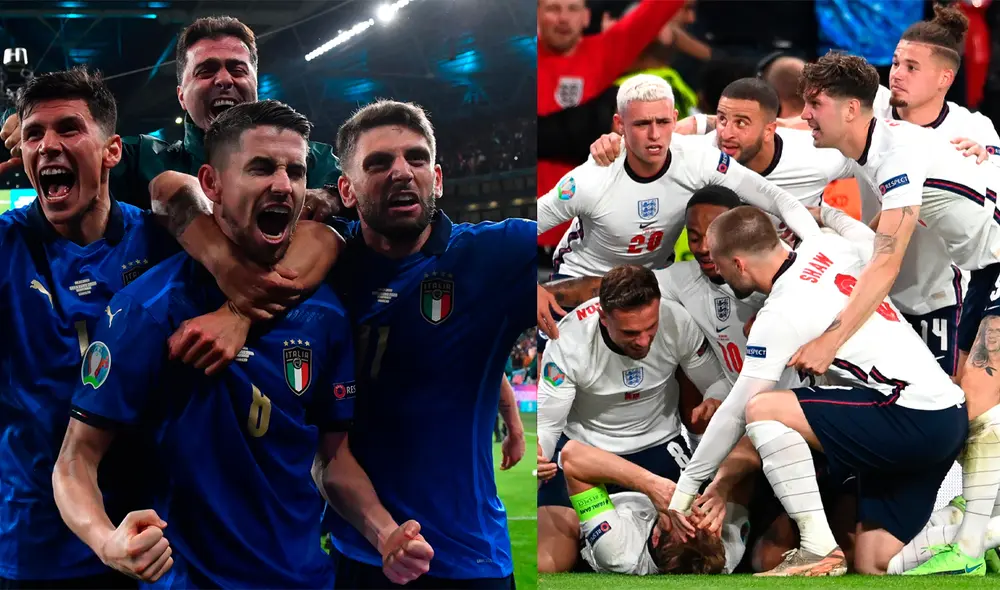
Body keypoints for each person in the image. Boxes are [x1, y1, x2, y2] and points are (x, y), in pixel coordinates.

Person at [52, 100, 432, 588]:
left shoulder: (326, 312)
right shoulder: (147, 310)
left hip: (307, 579)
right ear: (211, 185)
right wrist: (107, 540)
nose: (283, 185)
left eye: (295, 171)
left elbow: (331, 459)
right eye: (261, 168)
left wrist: (385, 534)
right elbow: (74, 461)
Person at [669, 205, 968, 576]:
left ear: (739, 264)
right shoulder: (827, 246)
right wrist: (826, 211)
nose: (719, 273)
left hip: (907, 415)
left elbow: (737, 409)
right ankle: (972, 528)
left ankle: (818, 547)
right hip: (945, 414)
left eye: (719, 265)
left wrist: (684, 490)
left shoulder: (779, 313)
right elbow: (859, 231)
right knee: (875, 562)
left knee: (761, 409)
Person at [793, 51, 1000, 573]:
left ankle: (973, 543)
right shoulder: (870, 142)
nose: (806, 115)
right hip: (983, 272)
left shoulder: (899, 151)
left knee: (975, 401)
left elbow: (886, 263)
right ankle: (977, 537)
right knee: (979, 413)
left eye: (815, 104)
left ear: (853, 109)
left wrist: (829, 342)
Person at [315, 100, 535, 589]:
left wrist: (509, 411)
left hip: (469, 559)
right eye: (378, 162)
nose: (401, 172)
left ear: (437, 179)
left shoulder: (492, 256)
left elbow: (591, 254)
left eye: (416, 159)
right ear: (346, 191)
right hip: (360, 553)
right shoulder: (323, 268)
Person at [0, 66, 182, 589]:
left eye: (69, 129)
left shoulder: (166, 241)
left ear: (112, 151)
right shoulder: (7, 246)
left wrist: (233, 315)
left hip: (155, 535)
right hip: (38, 542)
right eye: (33, 133)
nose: (47, 145)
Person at [536, 74, 818, 338]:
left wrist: (814, 248)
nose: (655, 135)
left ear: (675, 119)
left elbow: (776, 198)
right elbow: (517, 230)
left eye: (662, 122)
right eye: (642, 124)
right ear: (620, 125)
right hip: (580, 284)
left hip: (657, 281)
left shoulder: (699, 160)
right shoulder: (588, 180)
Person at [1, 16, 342, 218]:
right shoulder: (141, 161)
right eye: (206, 70)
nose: (224, 79)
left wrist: (330, 196)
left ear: (254, 83)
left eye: (237, 69)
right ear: (181, 94)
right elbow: (81, 147)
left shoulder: (313, 161)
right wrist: (21, 120)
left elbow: (364, 187)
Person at [537, 264, 730, 572]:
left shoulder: (676, 320)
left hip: (661, 450)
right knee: (547, 563)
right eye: (630, 332)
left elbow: (718, 382)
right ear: (604, 317)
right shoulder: (570, 342)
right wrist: (541, 458)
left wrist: (714, 399)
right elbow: (547, 427)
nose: (643, 341)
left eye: (650, 327)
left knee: (699, 549)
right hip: (587, 456)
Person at [537, 0, 687, 248]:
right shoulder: (520, 58)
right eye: (553, 9)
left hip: (586, 232)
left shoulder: (602, 52)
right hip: (533, 226)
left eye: (572, 9)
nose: (563, 18)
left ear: (586, 17)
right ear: (537, 15)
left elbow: (654, 12)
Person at [557, 438, 751, 575]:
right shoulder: (726, 551)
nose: (696, 511)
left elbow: (572, 455)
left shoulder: (620, 551)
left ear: (656, 538)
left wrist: (650, 484)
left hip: (601, 492)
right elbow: (750, 444)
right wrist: (722, 487)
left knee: (547, 560)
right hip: (661, 477)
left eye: (684, 523)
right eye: (707, 527)